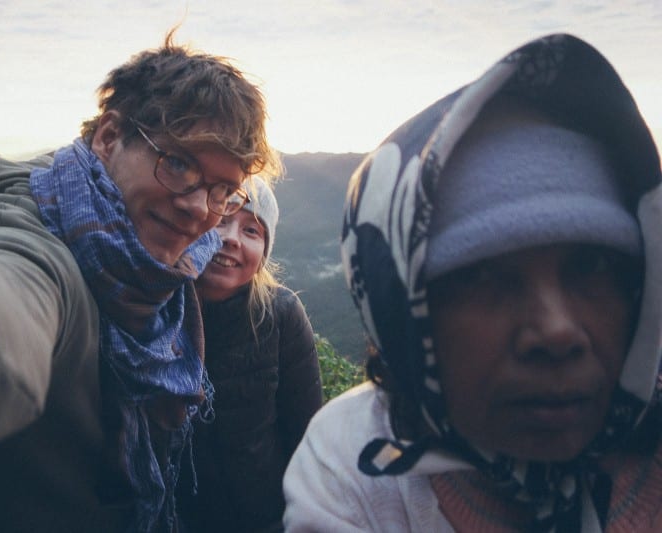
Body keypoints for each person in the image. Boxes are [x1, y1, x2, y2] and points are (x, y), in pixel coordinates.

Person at [0, 29, 280, 533]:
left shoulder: (167, 257)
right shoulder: (37, 241)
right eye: (177, 162)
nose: (198, 208)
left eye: (222, 191)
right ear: (108, 137)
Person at [283, 33, 662, 532]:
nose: (556, 332)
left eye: (593, 266)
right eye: (482, 277)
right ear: (401, 314)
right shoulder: (352, 466)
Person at [176, 176, 323, 532]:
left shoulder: (281, 315)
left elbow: (307, 438)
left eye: (252, 231)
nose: (231, 239)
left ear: (263, 255)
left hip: (267, 520)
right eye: (222, 219)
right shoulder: (157, 309)